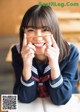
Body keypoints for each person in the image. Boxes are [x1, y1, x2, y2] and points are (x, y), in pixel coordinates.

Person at [11, 5, 79, 105]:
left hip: (65, 105)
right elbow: (25, 98)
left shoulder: (71, 52)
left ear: (54, 31)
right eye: (31, 30)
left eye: (45, 30)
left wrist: (54, 65)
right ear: (23, 32)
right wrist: (27, 65)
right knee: (7, 104)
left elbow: (61, 99)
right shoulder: (17, 51)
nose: (38, 38)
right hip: (31, 107)